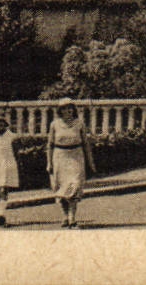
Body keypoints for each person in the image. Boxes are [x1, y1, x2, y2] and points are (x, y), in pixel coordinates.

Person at [46, 98, 95, 228]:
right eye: (64, 108)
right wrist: (49, 163)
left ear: (73, 109)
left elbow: (85, 143)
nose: (67, 111)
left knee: (75, 186)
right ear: (60, 111)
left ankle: (72, 217)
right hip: (59, 157)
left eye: (70, 108)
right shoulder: (54, 124)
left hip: (76, 156)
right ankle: (65, 216)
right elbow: (50, 145)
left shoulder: (79, 124)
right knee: (61, 188)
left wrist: (90, 162)